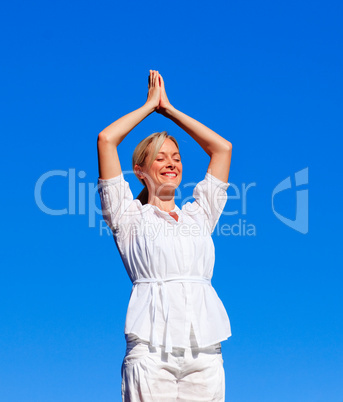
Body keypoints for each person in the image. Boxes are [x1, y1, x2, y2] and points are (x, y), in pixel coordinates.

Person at [97, 70, 233, 401]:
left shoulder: (199, 215)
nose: (171, 164)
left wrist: (169, 109)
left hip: (204, 350)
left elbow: (222, 149)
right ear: (140, 172)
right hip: (150, 348)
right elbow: (106, 140)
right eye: (160, 158)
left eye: (176, 158)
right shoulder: (127, 217)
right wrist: (149, 107)